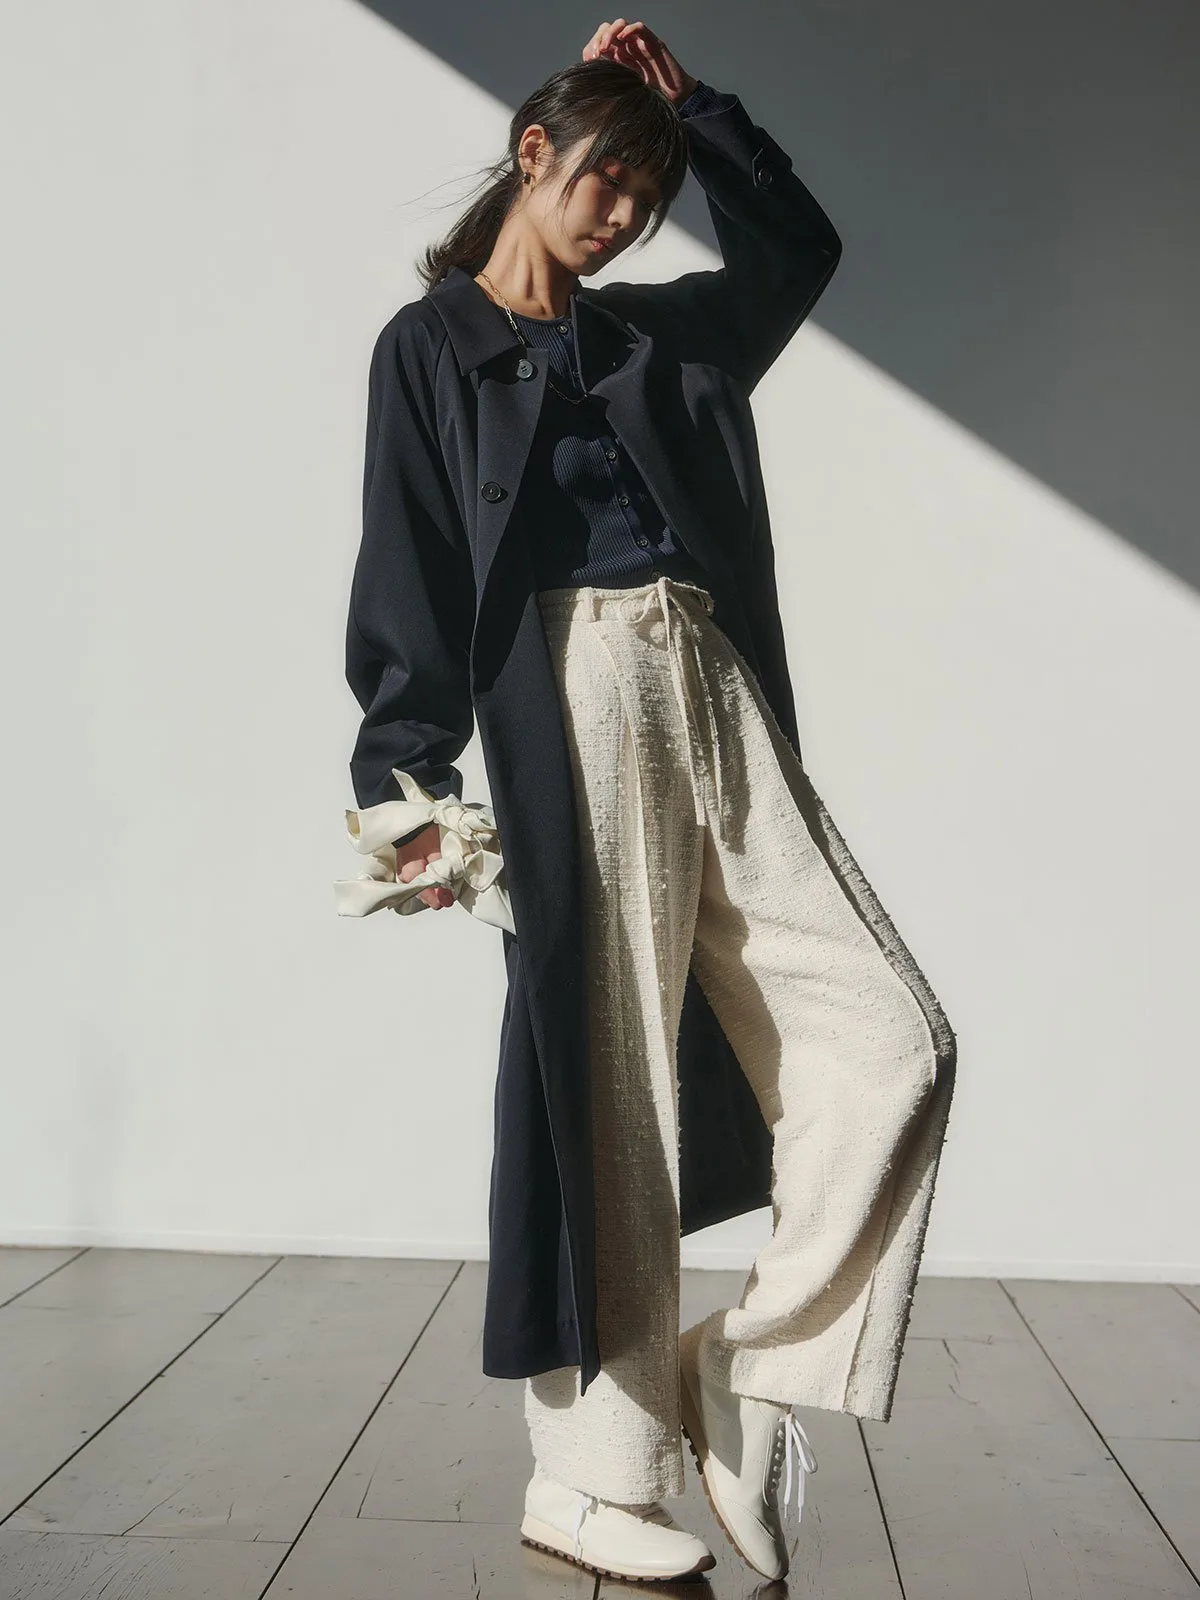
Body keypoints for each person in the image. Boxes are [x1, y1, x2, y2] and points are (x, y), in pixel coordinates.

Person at [344, 17, 957, 1586]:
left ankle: (743, 1364)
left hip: (712, 682)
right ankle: (591, 1476)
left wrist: (700, 111)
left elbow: (799, 249)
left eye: (650, 193)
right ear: (532, 153)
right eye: (608, 178)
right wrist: (405, 780)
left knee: (893, 1037)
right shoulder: (431, 349)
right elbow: (411, 569)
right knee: (609, 1089)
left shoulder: (660, 338)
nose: (625, 215)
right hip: (572, 704)